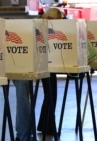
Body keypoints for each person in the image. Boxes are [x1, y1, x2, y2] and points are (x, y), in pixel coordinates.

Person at [37, 7, 65, 135]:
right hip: (43, 63)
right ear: (49, 18)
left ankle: (45, 125)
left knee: (51, 94)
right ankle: (48, 126)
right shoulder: (41, 26)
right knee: (50, 94)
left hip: (50, 63)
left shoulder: (43, 25)